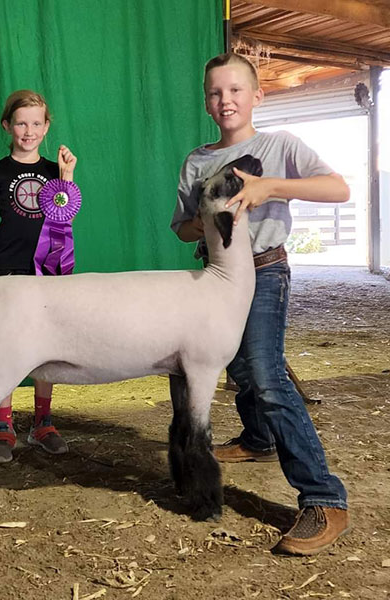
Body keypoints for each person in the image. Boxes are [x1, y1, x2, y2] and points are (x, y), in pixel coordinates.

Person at [171, 52, 350, 555]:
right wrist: (207, 213)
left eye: (234, 90)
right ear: (206, 101)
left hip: (265, 268)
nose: (225, 100)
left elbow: (338, 188)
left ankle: (323, 498)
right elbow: (182, 225)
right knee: (238, 371)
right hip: (213, 273)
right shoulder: (197, 160)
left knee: (266, 373)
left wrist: (271, 187)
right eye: (215, 92)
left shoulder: (279, 146)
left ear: (256, 96)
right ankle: (257, 440)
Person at [0, 89, 77, 464]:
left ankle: (42, 421)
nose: (28, 130)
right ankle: (3, 424)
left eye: (36, 123)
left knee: (47, 348)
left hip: (49, 273)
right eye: (21, 123)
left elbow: (65, 222)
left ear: (47, 126)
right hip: (7, 275)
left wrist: (67, 176)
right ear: (7, 125)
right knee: (3, 349)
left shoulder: (55, 172)